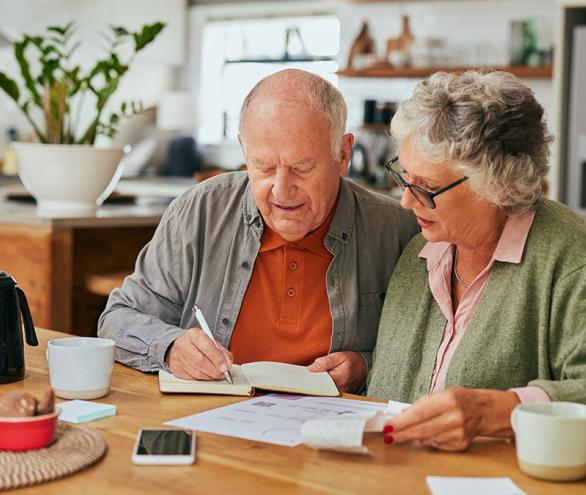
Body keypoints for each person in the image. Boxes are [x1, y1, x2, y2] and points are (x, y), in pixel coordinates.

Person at [367, 70, 586, 451]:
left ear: (495, 184)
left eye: (427, 188)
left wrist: (504, 411)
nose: (406, 202)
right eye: (405, 177)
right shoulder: (421, 251)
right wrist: (361, 366)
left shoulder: (564, 251)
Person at [99, 69, 418, 392]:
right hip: (211, 418)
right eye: (264, 167)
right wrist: (170, 346)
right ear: (243, 151)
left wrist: (366, 364)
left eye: (302, 167)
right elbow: (117, 319)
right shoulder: (200, 211)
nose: (281, 190)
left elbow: (430, 359)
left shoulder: (398, 231)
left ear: (343, 154)